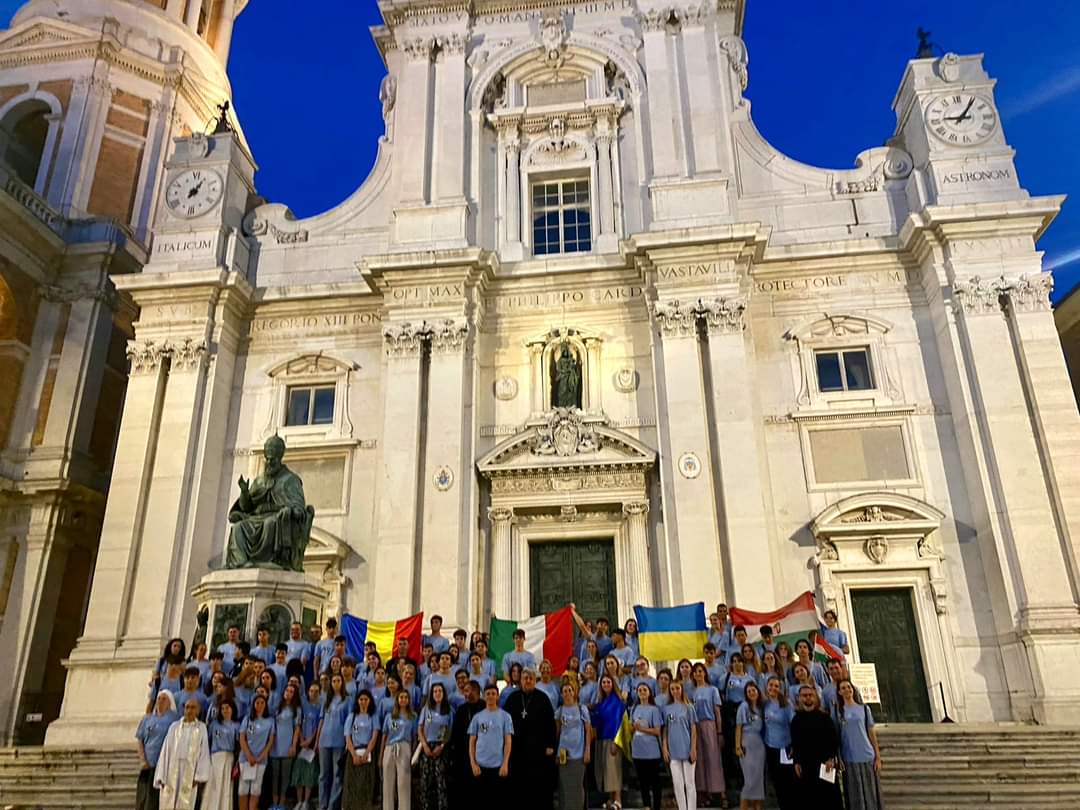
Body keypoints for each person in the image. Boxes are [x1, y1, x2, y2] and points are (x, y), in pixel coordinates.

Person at [504, 667, 557, 810]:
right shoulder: (512, 698)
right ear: (520, 680)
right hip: (517, 752)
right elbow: (505, 724)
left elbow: (551, 724)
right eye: (525, 678)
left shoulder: (543, 698)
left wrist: (551, 745)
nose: (528, 681)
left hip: (538, 752)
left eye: (531, 678)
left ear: (535, 680)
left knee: (539, 788)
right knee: (519, 788)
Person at [154, 697, 211, 810]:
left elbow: (203, 751)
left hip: (190, 770)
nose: (189, 710)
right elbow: (166, 751)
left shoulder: (201, 728)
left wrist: (199, 776)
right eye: (187, 707)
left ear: (198, 710)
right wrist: (161, 774)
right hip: (172, 769)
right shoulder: (174, 727)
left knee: (185, 802)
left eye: (193, 708)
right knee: (168, 801)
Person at [789, 686, 841, 810]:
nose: (808, 698)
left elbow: (833, 740)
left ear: (815, 697)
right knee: (809, 800)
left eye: (810, 695)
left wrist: (831, 758)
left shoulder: (824, 717)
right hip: (806, 767)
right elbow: (795, 743)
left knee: (830, 799)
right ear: (799, 698)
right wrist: (796, 761)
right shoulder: (796, 719)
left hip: (825, 765)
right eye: (804, 695)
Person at [836, 679, 884, 810]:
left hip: (866, 755)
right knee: (854, 794)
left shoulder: (864, 708)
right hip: (849, 758)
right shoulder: (838, 712)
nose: (847, 690)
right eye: (843, 688)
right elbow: (838, 736)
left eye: (849, 687)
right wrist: (838, 757)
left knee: (871, 793)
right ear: (839, 692)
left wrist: (878, 756)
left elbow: (871, 732)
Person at [468, 684, 514, 804]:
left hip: (498, 767)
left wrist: (505, 763)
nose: (491, 696)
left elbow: (508, 741)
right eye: (488, 694)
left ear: (497, 696)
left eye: (493, 694)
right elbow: (472, 742)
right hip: (480, 767)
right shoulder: (477, 717)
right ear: (484, 696)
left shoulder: (506, 717)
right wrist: (473, 763)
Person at [690, 663, 726, 808]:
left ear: (704, 673)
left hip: (709, 725)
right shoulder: (691, 692)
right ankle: (703, 793)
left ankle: (718, 792)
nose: (698, 674)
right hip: (695, 727)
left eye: (700, 671)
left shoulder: (712, 690)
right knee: (700, 760)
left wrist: (719, 731)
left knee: (713, 758)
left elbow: (717, 713)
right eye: (696, 672)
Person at [137, 691, 179, 810]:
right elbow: (140, 739)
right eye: (159, 698)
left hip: (165, 765)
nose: (160, 701)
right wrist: (142, 759)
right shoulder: (147, 718)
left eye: (164, 699)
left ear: (170, 702)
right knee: (143, 799)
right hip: (148, 763)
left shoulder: (174, 719)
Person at [554, 682, 591, 810]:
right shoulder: (559, 711)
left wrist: (587, 750)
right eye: (565, 691)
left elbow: (588, 731)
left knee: (577, 785)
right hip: (564, 754)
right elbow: (558, 733)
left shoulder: (582, 709)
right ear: (562, 694)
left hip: (579, 753)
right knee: (565, 786)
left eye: (570, 690)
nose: (568, 693)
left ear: (574, 692)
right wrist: (556, 753)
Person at [662, 680, 698, 810]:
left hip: (687, 749)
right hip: (673, 751)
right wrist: (665, 747)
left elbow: (693, 729)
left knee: (690, 783)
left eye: (677, 688)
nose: (675, 691)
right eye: (672, 689)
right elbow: (665, 730)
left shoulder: (689, 707)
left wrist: (693, 748)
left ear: (682, 689)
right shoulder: (666, 709)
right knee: (677, 784)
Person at [590, 673, 625, 810]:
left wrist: (616, 742)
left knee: (614, 770)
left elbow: (619, 723)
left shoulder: (617, 701)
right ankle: (611, 799)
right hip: (601, 739)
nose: (606, 685)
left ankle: (618, 800)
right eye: (603, 682)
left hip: (613, 740)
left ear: (613, 684)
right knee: (606, 771)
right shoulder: (601, 702)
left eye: (608, 682)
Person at [449, 680, 484, 809]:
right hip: (463, 756)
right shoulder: (462, 710)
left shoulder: (485, 707)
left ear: (475, 691)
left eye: (467, 691)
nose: (465, 694)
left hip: (482, 754)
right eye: (464, 691)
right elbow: (456, 735)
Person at [344, 689, 380, 810]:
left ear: (370, 701)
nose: (363, 702)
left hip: (368, 752)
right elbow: (348, 737)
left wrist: (367, 752)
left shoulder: (373, 716)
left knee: (366, 784)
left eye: (366, 699)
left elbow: (374, 736)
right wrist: (354, 754)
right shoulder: (352, 716)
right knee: (352, 784)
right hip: (353, 752)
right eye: (361, 699)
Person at [418, 683, 453, 810]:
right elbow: (420, 728)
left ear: (443, 694)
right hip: (427, 746)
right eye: (435, 691)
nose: (437, 693)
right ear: (431, 694)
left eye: (440, 691)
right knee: (425, 781)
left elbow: (449, 730)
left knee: (441, 781)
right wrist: (425, 745)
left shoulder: (449, 710)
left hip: (441, 748)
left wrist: (442, 745)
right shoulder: (426, 709)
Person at [381, 688, 416, 810]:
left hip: (405, 747)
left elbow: (414, 736)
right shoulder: (389, 716)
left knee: (403, 783)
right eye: (401, 697)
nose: (403, 700)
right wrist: (381, 756)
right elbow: (384, 736)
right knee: (388, 783)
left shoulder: (413, 716)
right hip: (389, 747)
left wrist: (413, 755)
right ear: (397, 699)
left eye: (406, 697)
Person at [761, 677, 794, 810]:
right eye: (771, 685)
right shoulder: (765, 704)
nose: (773, 688)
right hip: (770, 747)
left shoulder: (787, 705)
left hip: (785, 749)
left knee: (787, 782)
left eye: (776, 686)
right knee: (776, 781)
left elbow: (794, 725)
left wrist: (794, 746)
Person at [319, 673, 351, 810]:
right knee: (323, 775)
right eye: (334, 681)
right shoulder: (327, 699)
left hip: (338, 741)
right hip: (324, 740)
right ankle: (322, 805)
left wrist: (347, 742)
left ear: (342, 683)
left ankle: (333, 805)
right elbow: (321, 719)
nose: (336, 683)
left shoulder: (347, 700)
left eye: (339, 680)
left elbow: (349, 722)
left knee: (337, 775)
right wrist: (317, 740)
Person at [630, 682, 664, 810]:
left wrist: (642, 729)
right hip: (638, 750)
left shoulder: (654, 709)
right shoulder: (634, 708)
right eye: (640, 690)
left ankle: (656, 806)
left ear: (649, 692)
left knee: (655, 782)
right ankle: (646, 806)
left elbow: (657, 730)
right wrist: (632, 728)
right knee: (643, 782)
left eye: (645, 689)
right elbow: (632, 727)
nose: (642, 692)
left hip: (651, 751)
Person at [238, 694, 274, 810]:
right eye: (257, 703)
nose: (259, 705)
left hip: (260, 760)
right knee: (243, 789)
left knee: (255, 789)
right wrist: (249, 756)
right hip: (246, 759)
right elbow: (242, 738)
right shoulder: (247, 719)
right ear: (253, 705)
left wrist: (261, 756)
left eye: (262, 703)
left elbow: (270, 740)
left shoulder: (270, 721)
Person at [734, 682, 766, 810]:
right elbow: (739, 727)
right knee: (749, 781)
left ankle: (758, 807)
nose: (752, 693)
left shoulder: (760, 708)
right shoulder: (744, 706)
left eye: (754, 690)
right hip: (747, 742)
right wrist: (737, 746)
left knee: (758, 779)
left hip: (759, 745)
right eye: (749, 691)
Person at [204, 699, 239, 810]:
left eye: (227, 708)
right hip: (214, 757)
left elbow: (238, 744)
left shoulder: (236, 726)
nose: (225, 711)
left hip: (228, 757)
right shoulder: (214, 724)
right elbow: (208, 741)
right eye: (223, 708)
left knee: (225, 786)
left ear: (232, 709)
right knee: (212, 786)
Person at [293, 682, 323, 810]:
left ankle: (306, 801)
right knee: (298, 773)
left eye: (316, 691)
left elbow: (318, 727)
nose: (314, 693)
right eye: (311, 691)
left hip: (312, 745)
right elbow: (298, 724)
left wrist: (311, 741)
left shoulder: (320, 707)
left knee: (309, 774)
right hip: (301, 744)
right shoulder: (303, 705)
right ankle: (299, 801)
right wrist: (301, 740)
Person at [271, 682, 301, 809]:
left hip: (287, 746)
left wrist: (293, 746)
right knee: (274, 776)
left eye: (291, 692)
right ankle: (274, 803)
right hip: (275, 747)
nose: (288, 693)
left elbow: (297, 729)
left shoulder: (296, 710)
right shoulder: (277, 708)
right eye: (286, 691)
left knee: (285, 777)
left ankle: (282, 803)